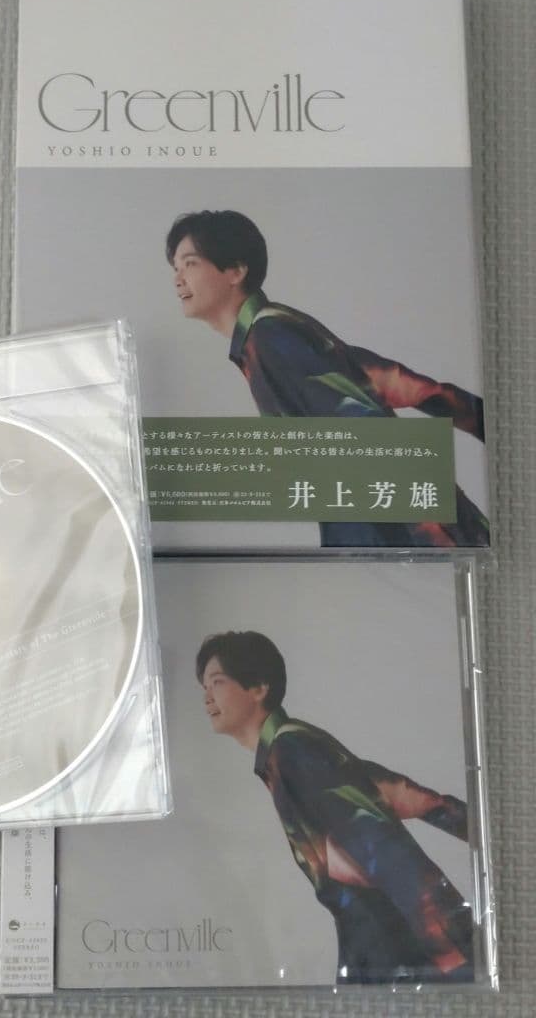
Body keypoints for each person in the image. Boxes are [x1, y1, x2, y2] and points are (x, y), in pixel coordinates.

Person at [167, 209, 489, 547]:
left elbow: (367, 429)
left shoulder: (269, 337)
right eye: (175, 268)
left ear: (236, 270)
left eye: (190, 264)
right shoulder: (278, 326)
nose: (177, 279)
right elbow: (400, 383)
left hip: (400, 533)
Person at [197, 630, 475, 985]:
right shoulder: (294, 744)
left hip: (396, 943)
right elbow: (404, 795)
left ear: (258, 688)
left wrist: (451, 952)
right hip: (380, 937)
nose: (206, 697)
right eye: (204, 686)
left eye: (217, 682)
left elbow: (383, 850)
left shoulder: (292, 751)